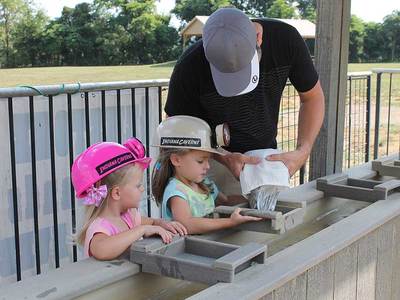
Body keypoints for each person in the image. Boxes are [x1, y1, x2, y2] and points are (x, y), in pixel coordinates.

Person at [165, 7, 325, 193]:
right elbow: (176, 128)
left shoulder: (285, 40)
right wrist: (222, 156)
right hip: (210, 161)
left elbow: (312, 98)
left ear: (258, 38)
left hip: (267, 159)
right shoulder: (189, 66)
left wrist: (302, 151)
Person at [71, 137, 187, 260]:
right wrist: (141, 230)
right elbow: (102, 250)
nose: (142, 189)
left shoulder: (128, 216)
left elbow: (152, 222)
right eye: (138, 185)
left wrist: (163, 223)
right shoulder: (100, 227)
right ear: (116, 193)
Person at [151, 115, 261, 234]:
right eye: (200, 161)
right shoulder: (176, 192)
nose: (207, 166)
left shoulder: (204, 184)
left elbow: (226, 201)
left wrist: (254, 200)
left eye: (208, 160)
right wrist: (229, 222)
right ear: (176, 160)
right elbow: (187, 224)